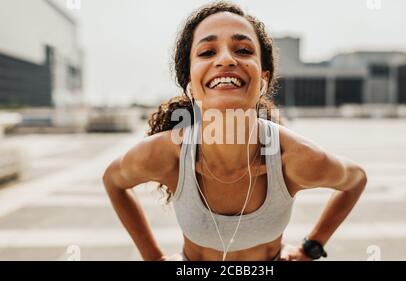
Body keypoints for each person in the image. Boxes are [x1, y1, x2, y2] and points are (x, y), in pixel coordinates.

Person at [102, 1, 367, 261]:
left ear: (263, 79)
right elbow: (113, 182)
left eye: (242, 50)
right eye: (207, 52)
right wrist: (152, 256)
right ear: (190, 84)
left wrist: (311, 248)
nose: (226, 59)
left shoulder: (293, 159)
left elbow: (356, 179)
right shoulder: (168, 154)